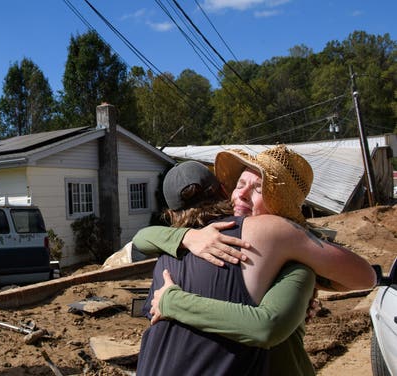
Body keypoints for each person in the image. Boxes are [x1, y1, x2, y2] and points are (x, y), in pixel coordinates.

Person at [134, 146, 376, 375]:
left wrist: (173, 301)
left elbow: (267, 326)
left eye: (258, 189)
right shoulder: (202, 239)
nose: (241, 194)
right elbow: (142, 239)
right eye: (240, 184)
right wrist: (188, 236)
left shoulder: (292, 251)